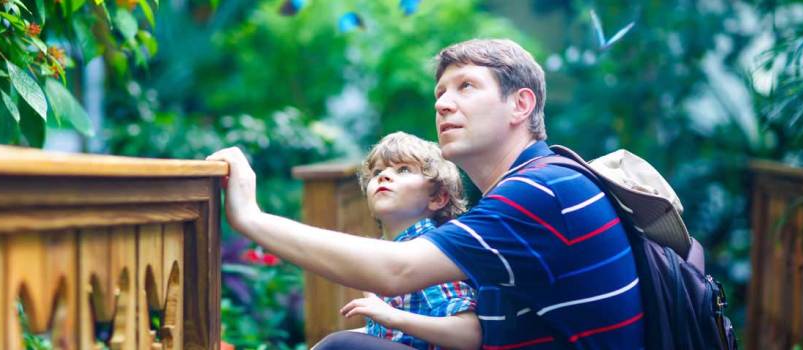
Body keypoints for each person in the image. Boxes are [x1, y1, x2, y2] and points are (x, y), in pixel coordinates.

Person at [209, 38, 645, 349]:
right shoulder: (530, 185)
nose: (442, 104)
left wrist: (250, 216)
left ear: (521, 105)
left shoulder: (540, 189)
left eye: (466, 87)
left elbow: (397, 270)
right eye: (440, 93)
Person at [312, 132, 480, 350]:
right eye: (377, 172)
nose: (384, 176)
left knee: (338, 344)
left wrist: (391, 316)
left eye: (403, 170)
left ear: (437, 198)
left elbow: (469, 335)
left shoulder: (430, 250)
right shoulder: (387, 251)